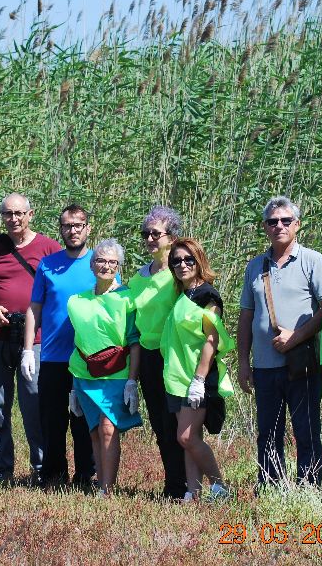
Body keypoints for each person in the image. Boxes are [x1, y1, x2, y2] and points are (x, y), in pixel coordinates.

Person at [237, 196, 322, 488]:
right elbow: (246, 318)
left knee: (306, 429)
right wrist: (243, 362)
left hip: (301, 364)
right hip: (265, 366)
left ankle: (310, 487)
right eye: (272, 221)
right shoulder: (255, 267)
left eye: (286, 220)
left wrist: (297, 336)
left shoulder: (312, 261)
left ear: (297, 225)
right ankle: (270, 486)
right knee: (268, 431)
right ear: (265, 227)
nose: (279, 225)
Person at [0, 194, 60, 486]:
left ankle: (42, 468)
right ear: (2, 216)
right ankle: (1, 469)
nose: (14, 219)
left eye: (19, 213)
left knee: (34, 403)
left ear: (31, 214)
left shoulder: (48, 248)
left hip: (35, 341)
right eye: (8, 214)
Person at [22, 204, 97, 487]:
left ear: (87, 228)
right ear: (61, 230)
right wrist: (29, 350)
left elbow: (115, 307)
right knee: (52, 420)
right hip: (53, 356)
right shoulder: (48, 265)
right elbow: (35, 308)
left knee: (83, 419)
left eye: (78, 225)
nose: (73, 230)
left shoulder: (100, 264)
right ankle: (53, 475)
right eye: (67, 226)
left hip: (89, 358)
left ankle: (85, 475)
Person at [67, 239, 142, 496]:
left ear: (119, 266)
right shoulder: (76, 301)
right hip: (84, 374)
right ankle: (101, 485)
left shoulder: (128, 297)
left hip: (118, 373)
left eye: (112, 262)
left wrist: (132, 382)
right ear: (91, 264)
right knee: (95, 430)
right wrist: (73, 388)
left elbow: (135, 342)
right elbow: (78, 341)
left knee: (109, 426)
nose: (106, 266)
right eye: (101, 260)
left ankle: (107, 490)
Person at [161, 238, 234, 502]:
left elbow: (211, 339)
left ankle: (220, 487)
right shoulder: (183, 294)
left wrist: (199, 379)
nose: (182, 265)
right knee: (188, 440)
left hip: (198, 377)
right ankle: (193, 492)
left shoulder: (207, 295)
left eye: (188, 259)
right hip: (178, 378)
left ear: (199, 261)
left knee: (187, 436)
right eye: (176, 260)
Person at [127, 206, 187, 499]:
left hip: (174, 357)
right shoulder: (137, 279)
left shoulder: (181, 274)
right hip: (149, 357)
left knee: (180, 424)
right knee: (161, 424)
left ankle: (188, 485)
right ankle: (174, 485)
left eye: (156, 234)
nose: (150, 239)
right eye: (145, 234)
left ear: (172, 237)